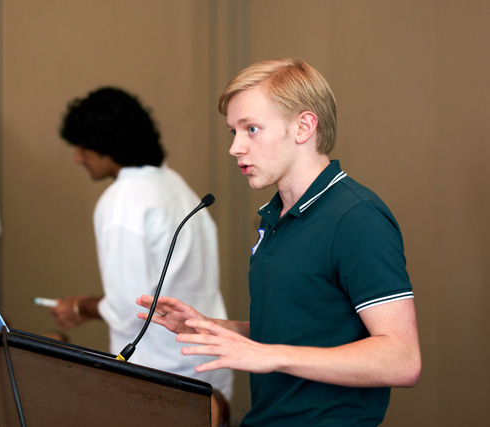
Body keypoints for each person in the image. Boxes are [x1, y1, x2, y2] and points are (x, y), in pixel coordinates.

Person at [136, 59, 421, 426]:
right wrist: (212, 328)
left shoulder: (356, 217)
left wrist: (272, 356)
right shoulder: (276, 217)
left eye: (251, 129)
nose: (235, 147)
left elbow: (403, 359)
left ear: (303, 126)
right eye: (233, 132)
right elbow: (305, 328)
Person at [53, 87, 234, 410]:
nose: (77, 157)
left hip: (162, 379)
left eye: (81, 147)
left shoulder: (123, 201)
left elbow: (129, 307)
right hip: (211, 369)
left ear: (105, 143)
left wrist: (80, 308)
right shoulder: (177, 186)